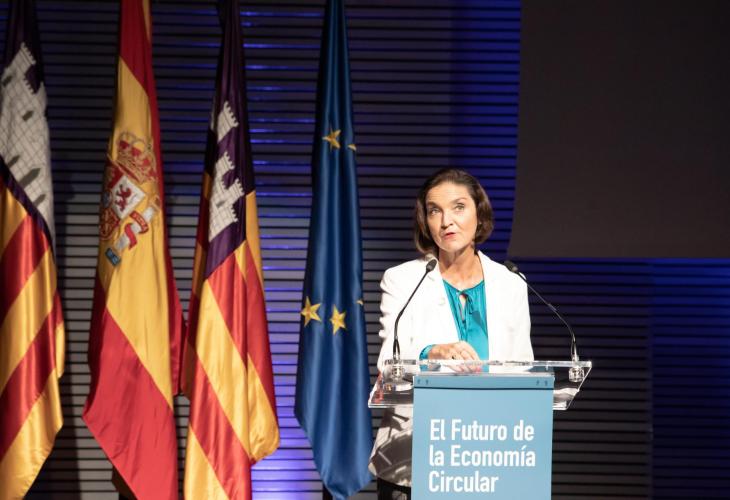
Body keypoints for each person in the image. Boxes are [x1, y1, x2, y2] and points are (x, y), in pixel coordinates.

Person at [369, 168, 534, 499]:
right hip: (414, 458)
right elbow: (389, 363)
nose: (447, 221)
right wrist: (431, 352)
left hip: (491, 457)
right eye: (435, 211)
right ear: (425, 222)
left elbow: (525, 372)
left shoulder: (511, 283)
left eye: (459, 207)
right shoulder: (402, 280)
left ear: (479, 215)